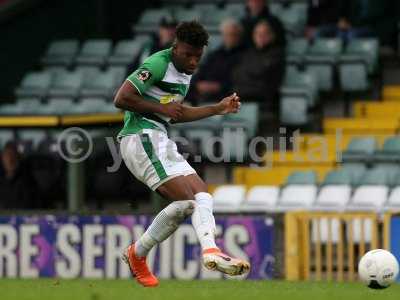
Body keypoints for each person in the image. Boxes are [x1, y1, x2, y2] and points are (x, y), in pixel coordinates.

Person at [114, 21, 250, 287]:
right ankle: (209, 250)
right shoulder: (158, 64)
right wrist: (161, 110)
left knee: (201, 195)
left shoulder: (185, 72)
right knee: (189, 200)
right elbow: (121, 98)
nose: (193, 61)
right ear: (175, 47)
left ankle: (138, 253)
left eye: (197, 56)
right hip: (140, 137)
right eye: (188, 54)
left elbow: (176, 113)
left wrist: (217, 109)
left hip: (158, 137)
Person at [232, 20, 285, 115]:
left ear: (272, 36)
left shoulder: (277, 54)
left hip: (264, 102)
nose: (260, 36)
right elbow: (236, 74)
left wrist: (247, 76)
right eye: (257, 33)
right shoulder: (248, 53)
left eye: (264, 33)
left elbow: (261, 75)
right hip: (242, 97)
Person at [191, 19, 245, 103]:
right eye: (227, 34)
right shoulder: (215, 54)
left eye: (233, 34)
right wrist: (198, 84)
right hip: (205, 96)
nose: (230, 37)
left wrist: (219, 87)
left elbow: (240, 81)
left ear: (239, 36)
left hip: (227, 97)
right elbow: (200, 72)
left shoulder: (245, 55)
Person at [0, 141, 38, 209]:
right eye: (6, 156)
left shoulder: (28, 181)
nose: (10, 160)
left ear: (18, 158)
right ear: (2, 158)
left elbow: (29, 205)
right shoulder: (2, 179)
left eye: (12, 155)